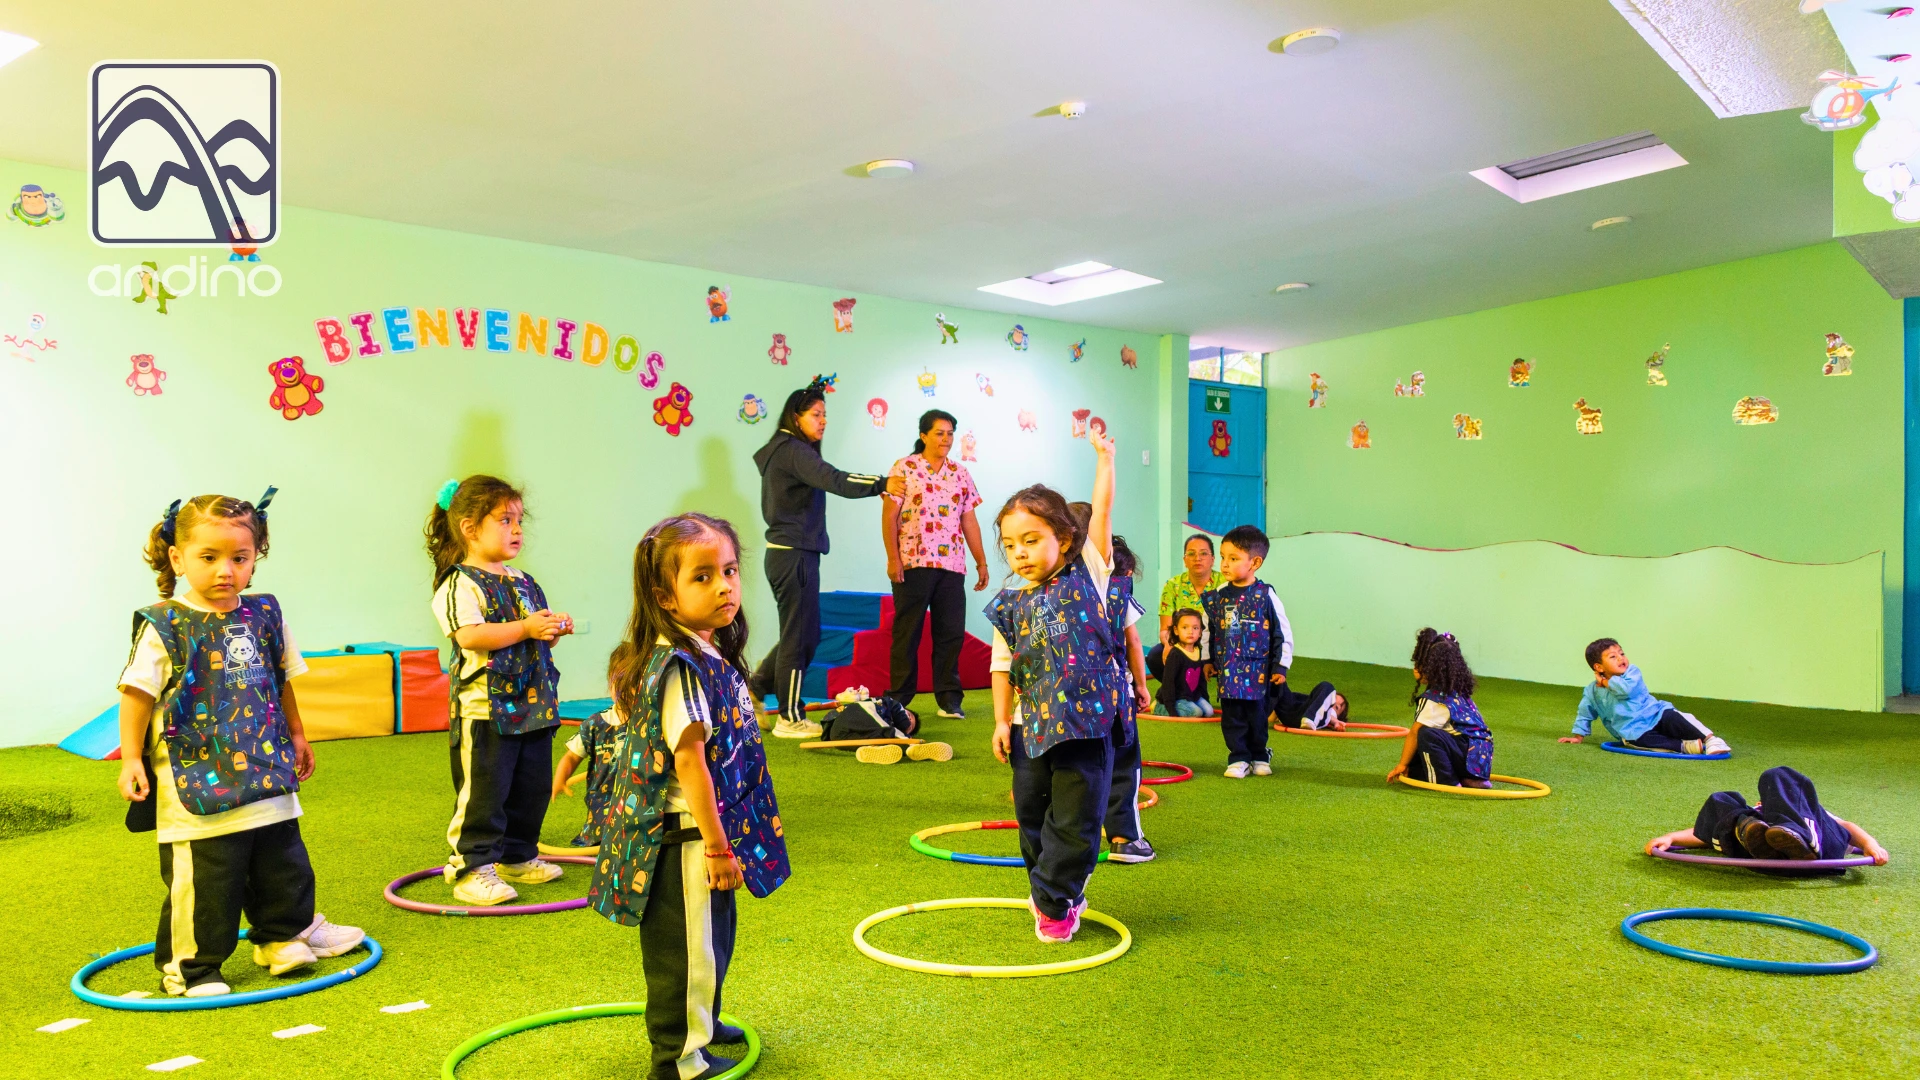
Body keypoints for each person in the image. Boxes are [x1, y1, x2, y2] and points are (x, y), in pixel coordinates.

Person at [116, 491, 362, 998]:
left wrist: (297, 733)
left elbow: (283, 678)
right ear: (177, 557)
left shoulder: (265, 614)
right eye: (209, 557)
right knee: (208, 880)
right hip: (196, 782)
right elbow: (136, 695)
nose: (225, 570)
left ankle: (282, 937)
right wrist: (132, 760)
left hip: (265, 769)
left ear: (255, 558)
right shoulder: (166, 624)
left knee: (284, 861)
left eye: (240, 557)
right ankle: (192, 969)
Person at [588, 514, 789, 1080]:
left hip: (703, 836)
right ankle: (677, 1058)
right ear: (665, 598)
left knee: (713, 940)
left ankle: (708, 1018)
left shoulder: (704, 650)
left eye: (729, 570)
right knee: (687, 954)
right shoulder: (678, 667)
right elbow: (689, 762)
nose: (725, 585)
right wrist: (720, 848)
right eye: (703, 577)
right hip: (685, 841)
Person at [986, 429, 1124, 943]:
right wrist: (1001, 721)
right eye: (1010, 545)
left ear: (1063, 540)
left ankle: (1054, 898)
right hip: (1029, 726)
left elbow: (1102, 516)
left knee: (1075, 817)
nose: (1019, 553)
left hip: (1086, 727)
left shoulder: (1088, 573)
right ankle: (1053, 889)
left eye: (1031, 540)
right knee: (1030, 814)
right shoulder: (1010, 602)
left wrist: (1105, 459)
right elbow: (1002, 666)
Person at [427, 475, 574, 906]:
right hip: (486, 710)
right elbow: (469, 635)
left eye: (519, 520)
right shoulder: (459, 583)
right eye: (504, 520)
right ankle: (472, 867)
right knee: (486, 792)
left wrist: (550, 629)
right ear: (470, 529)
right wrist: (527, 627)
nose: (516, 530)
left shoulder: (522, 580)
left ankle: (516, 856)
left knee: (530, 787)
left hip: (534, 703)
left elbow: (530, 632)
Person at [750, 376, 907, 739]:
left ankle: (756, 687)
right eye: (816, 414)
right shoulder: (791, 450)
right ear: (796, 416)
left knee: (807, 632)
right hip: (793, 556)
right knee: (797, 636)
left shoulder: (785, 450)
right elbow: (833, 479)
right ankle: (789, 716)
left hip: (792, 554)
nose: (823, 421)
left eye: (825, 414)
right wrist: (881, 483)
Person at [882, 408, 988, 719]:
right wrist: (893, 558)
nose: (945, 439)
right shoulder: (903, 468)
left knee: (950, 633)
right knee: (907, 632)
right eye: (939, 433)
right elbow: (889, 517)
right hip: (913, 562)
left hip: (952, 565)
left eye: (950, 434)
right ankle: (899, 698)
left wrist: (981, 561)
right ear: (923, 435)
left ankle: (949, 699)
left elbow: (969, 520)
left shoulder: (960, 473)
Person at [1647, 767, 1888, 870]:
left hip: (1821, 851)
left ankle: (1801, 836)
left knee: (1777, 775)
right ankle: (1751, 835)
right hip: (1764, 859)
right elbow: (1705, 834)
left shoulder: (1804, 805)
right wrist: (1670, 837)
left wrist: (1870, 845)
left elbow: (1846, 827)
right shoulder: (1756, 813)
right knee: (1722, 800)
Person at [1201, 525, 1292, 778]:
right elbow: (1210, 629)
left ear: (1255, 562)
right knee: (1232, 717)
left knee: (1257, 717)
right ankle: (1238, 757)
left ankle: (1260, 755)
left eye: (1233, 558)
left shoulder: (1266, 595)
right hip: (1229, 673)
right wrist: (1207, 659)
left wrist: (1280, 666)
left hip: (1258, 674)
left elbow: (1282, 633)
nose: (1224, 564)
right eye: (1222, 557)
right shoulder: (1218, 596)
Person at [1560, 638, 1730, 755]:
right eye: (1613, 657)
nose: (1621, 658)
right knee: (1638, 741)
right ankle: (1687, 747)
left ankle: (1710, 740)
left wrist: (1605, 683)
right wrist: (1578, 736)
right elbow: (1585, 713)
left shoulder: (1632, 673)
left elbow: (1625, 690)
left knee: (1673, 717)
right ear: (1599, 667)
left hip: (1655, 714)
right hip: (1633, 729)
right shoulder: (1592, 692)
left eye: (1622, 653)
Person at [1100, 532, 1156, 864]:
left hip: (1063, 701)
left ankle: (1069, 840)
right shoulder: (1119, 593)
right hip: (1113, 694)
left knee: (1079, 767)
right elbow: (1133, 641)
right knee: (1123, 761)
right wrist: (1141, 686)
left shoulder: (1052, 590)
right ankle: (1124, 838)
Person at [1387, 629, 1493, 789]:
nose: (1415, 668)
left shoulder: (1435, 699)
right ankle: (1472, 779)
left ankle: (1450, 782)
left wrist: (1401, 764)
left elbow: (1415, 733)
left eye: (1419, 663)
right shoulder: (1459, 693)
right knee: (1416, 766)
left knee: (1426, 734)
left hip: (1467, 756)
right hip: (1480, 762)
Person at [1148, 534, 1227, 679]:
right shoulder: (1173, 585)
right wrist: (1168, 645)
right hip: (1185, 646)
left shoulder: (1225, 583)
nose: (1197, 558)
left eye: (1203, 553)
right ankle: (1179, 694)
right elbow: (1165, 629)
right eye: (1191, 554)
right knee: (1155, 655)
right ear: (1185, 560)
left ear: (1213, 560)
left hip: (1216, 645)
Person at [551, 698, 624, 849]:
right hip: (603, 795)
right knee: (603, 828)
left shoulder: (646, 720)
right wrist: (560, 779)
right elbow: (572, 756)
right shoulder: (595, 723)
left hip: (634, 791)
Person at [1155, 609, 1213, 717]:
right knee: (1196, 712)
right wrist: (1171, 708)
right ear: (1176, 630)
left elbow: (1201, 681)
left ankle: (1189, 705)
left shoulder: (1198, 651)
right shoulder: (1175, 655)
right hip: (1176, 697)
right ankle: (1160, 707)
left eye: (1195, 628)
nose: (1190, 632)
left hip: (1191, 695)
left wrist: (1206, 699)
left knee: (1209, 712)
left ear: (1200, 632)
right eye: (1185, 627)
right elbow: (1168, 682)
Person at [1271, 681, 1348, 731]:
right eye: (1331, 700)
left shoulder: (1328, 716)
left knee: (1328, 686)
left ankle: (1310, 719)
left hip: (1305, 718)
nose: (1330, 704)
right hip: (1289, 712)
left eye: (1336, 707)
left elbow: (1330, 715)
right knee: (1276, 678)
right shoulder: (1309, 700)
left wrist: (1335, 721)